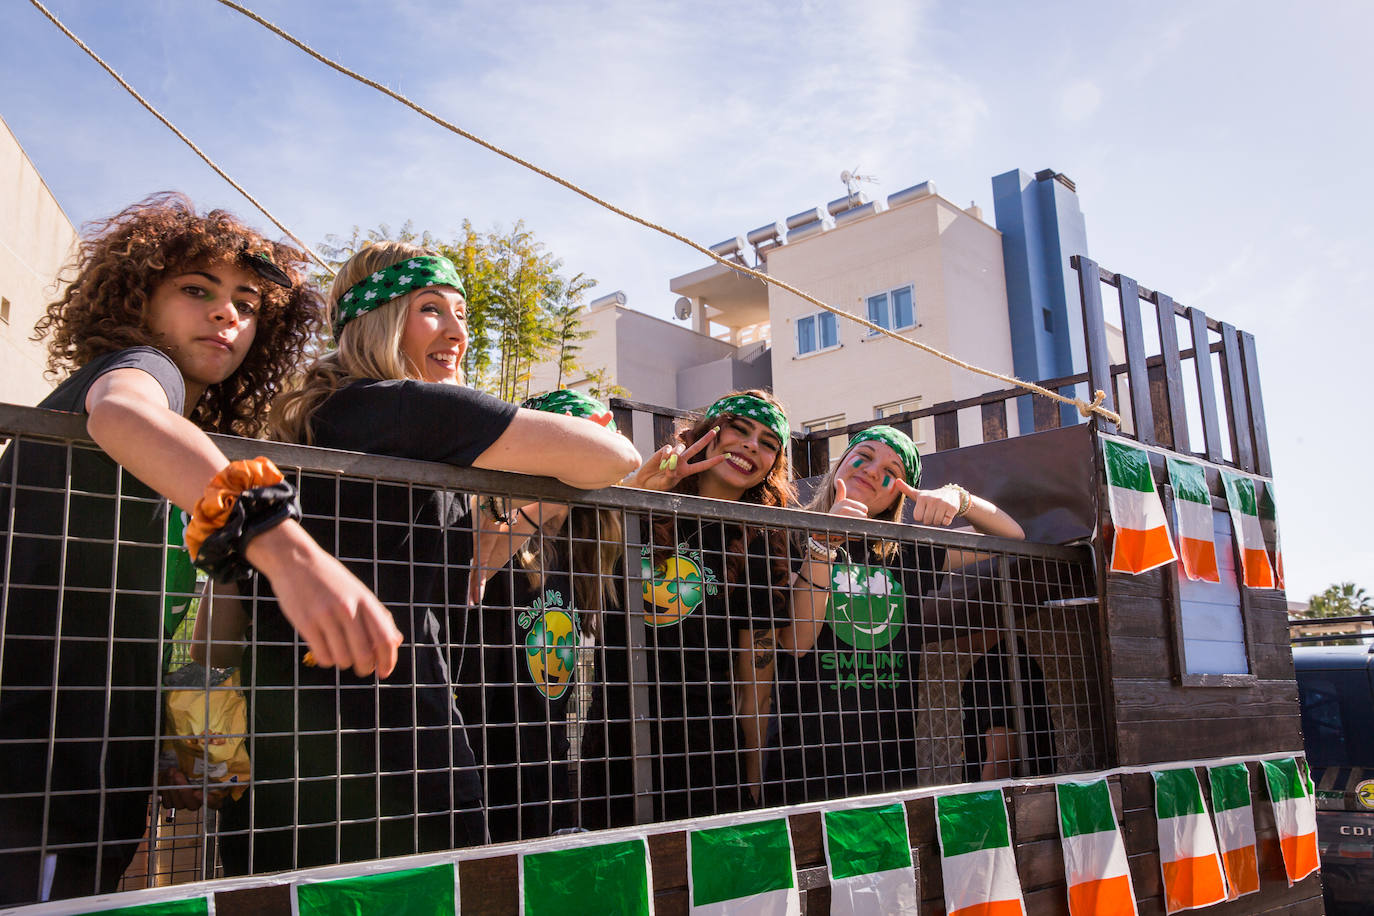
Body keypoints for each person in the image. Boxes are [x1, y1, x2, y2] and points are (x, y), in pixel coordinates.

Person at [0, 193, 402, 905]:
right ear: (137, 295)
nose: (228, 315)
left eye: (247, 303)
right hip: (32, 793)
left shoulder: (175, 438)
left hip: (82, 787)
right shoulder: (138, 367)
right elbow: (123, 409)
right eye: (197, 290)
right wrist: (285, 548)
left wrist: (147, 743)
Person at [213, 242, 639, 874]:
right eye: (432, 309)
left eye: (462, 314)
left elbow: (460, 578)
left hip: (291, 762)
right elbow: (615, 458)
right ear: (379, 318)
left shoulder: (325, 422)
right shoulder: (402, 406)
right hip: (397, 760)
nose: (458, 332)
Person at [769, 424, 1024, 804]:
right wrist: (824, 541)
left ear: (896, 496)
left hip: (888, 770)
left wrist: (958, 497)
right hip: (801, 769)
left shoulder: (906, 553)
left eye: (892, 472)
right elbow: (796, 641)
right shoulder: (789, 534)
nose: (873, 471)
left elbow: (1011, 538)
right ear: (841, 463)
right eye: (865, 456)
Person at [580, 390, 799, 827]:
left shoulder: (761, 538)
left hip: (706, 749)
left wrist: (754, 774)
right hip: (618, 733)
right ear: (709, 434)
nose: (752, 445)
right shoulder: (644, 501)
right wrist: (638, 491)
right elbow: (589, 567)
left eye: (768, 443)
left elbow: (756, 675)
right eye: (740, 430)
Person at [458, 389, 625, 842]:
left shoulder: (582, 554)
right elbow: (478, 566)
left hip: (544, 763)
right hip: (479, 758)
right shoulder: (490, 517)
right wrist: (554, 496)